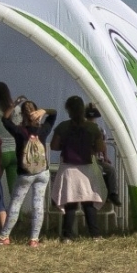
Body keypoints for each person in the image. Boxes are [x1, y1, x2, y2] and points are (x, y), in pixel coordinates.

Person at [0, 100, 56, 247]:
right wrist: (44, 111)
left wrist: (12, 105)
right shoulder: (44, 129)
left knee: (15, 204)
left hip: (25, 174)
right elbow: (54, 113)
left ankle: (4, 236)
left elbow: (5, 120)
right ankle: (34, 240)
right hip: (42, 172)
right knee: (38, 204)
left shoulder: (19, 131)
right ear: (36, 112)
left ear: (21, 115)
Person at [51, 96, 107, 240]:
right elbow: (100, 147)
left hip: (68, 168)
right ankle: (95, 234)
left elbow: (54, 146)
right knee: (88, 201)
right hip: (87, 168)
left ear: (68, 110)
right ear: (83, 109)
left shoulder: (63, 126)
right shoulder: (92, 127)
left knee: (70, 202)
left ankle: (67, 236)